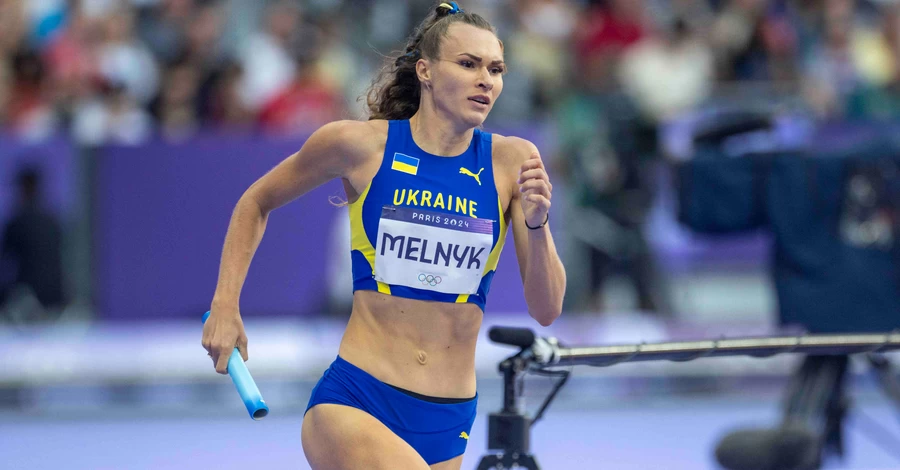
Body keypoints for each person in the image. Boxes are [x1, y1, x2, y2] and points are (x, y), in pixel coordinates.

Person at [201, 3, 566, 469]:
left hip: (448, 417)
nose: (486, 81)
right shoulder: (361, 145)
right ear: (425, 71)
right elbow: (255, 202)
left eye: (496, 69)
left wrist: (537, 224)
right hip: (357, 399)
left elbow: (547, 309)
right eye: (468, 64)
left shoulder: (512, 161)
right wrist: (226, 306)